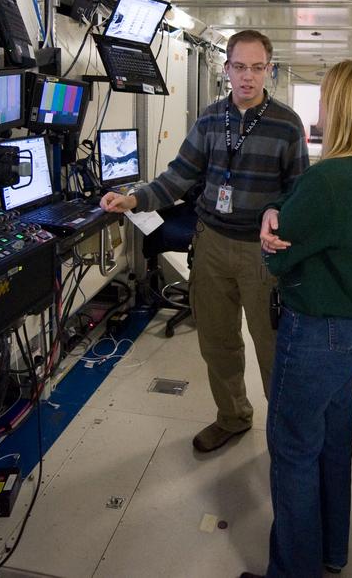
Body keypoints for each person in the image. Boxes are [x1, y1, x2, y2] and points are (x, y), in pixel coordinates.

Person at [100, 30, 307, 453]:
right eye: (239, 67)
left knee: (271, 348)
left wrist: (280, 215)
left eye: (256, 68)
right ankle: (232, 416)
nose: (247, 77)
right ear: (226, 68)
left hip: (260, 253)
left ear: (268, 69)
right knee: (217, 342)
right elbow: (179, 176)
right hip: (211, 244)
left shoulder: (287, 124)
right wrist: (134, 198)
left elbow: (299, 190)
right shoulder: (211, 119)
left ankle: (286, 437)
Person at [251, 60, 352, 578]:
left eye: (328, 97)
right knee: (333, 440)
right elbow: (294, 213)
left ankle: (293, 571)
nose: (322, 107)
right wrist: (278, 212)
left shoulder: (330, 177)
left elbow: (277, 256)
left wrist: (271, 234)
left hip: (316, 331)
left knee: (292, 450)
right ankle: (331, 552)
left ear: (342, 108)